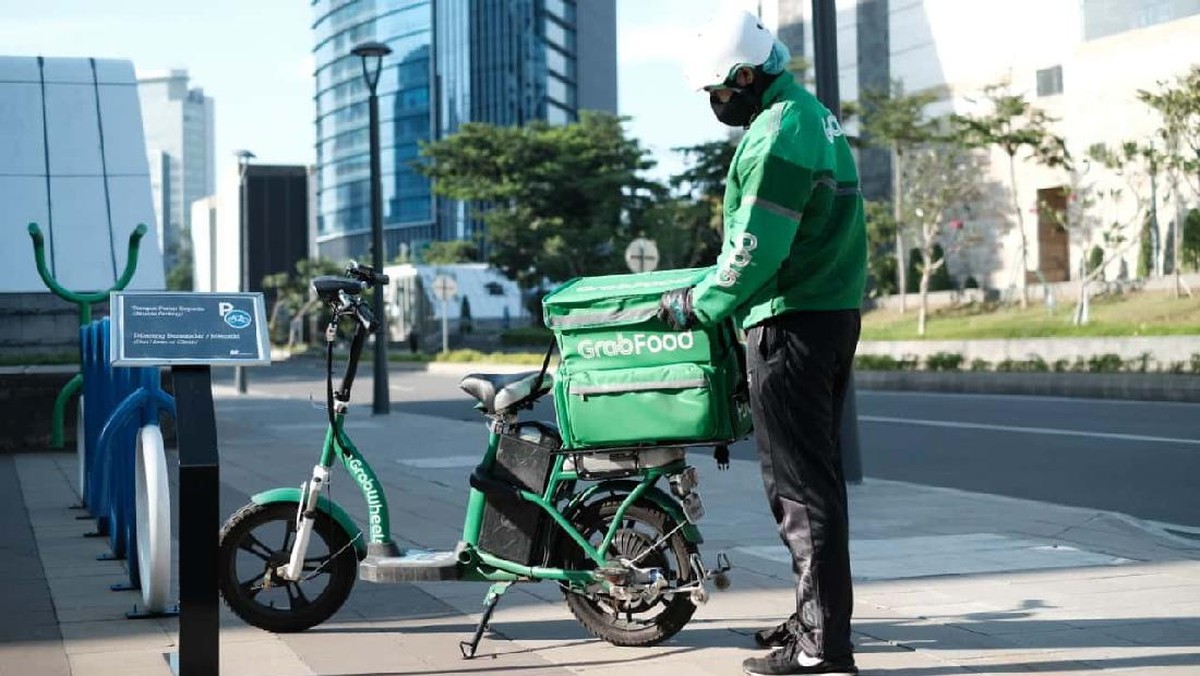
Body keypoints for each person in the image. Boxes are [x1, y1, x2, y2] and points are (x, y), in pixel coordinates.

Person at [657, 10, 866, 676]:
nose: (718, 104)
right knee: (817, 487)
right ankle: (814, 622)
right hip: (829, 314)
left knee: (801, 496)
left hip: (789, 323)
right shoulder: (814, 116)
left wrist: (700, 304)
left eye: (719, 91)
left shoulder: (777, 134)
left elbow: (756, 247)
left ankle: (821, 652)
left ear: (746, 75)